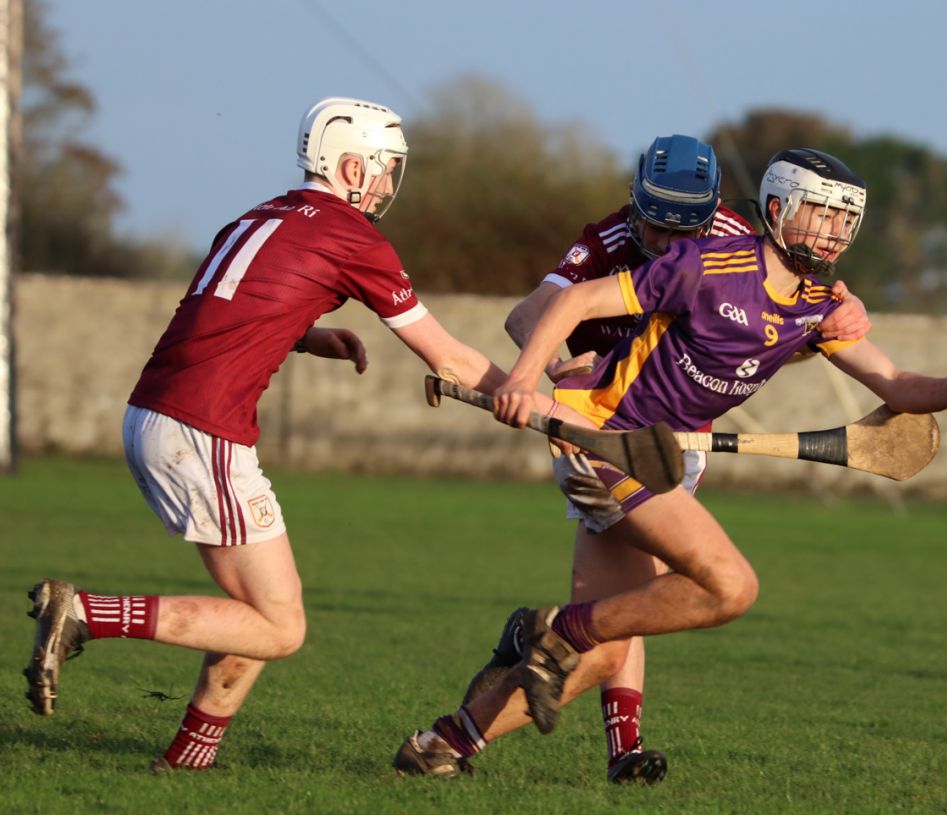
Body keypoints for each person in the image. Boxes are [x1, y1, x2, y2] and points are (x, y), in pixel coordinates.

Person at [391, 147, 947, 780]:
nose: (833, 231)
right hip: (607, 439)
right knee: (728, 586)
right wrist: (526, 379)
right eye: (819, 214)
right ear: (777, 209)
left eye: (842, 220)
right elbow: (568, 305)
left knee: (605, 651)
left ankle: (446, 741)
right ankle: (553, 631)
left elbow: (897, 385)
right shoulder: (703, 262)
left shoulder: (819, 303)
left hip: (668, 454)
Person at [22, 96, 575, 772]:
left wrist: (308, 338)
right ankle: (89, 612)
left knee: (258, 610)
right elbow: (451, 359)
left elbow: (221, 307)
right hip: (202, 429)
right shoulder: (351, 235)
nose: (389, 187)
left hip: (154, 415)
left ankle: (188, 762)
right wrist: (549, 411)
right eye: (384, 171)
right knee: (281, 626)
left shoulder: (262, 214)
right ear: (349, 166)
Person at [459, 135, 872, 784]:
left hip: (685, 440)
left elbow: (775, 317)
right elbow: (528, 315)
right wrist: (559, 365)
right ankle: (591, 740)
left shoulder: (740, 234)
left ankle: (479, 722)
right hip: (608, 428)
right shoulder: (604, 241)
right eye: (653, 224)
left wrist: (841, 310)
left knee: (630, 603)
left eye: (685, 227)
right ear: (635, 203)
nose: (665, 240)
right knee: (621, 609)